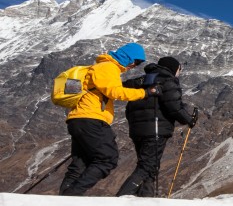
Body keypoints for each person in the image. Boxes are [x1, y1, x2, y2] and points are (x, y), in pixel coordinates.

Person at [59, 42, 160, 196]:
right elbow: (115, 92)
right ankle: (71, 195)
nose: (135, 65)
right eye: (136, 61)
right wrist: (145, 93)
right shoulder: (107, 67)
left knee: (80, 164)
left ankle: (62, 201)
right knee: (107, 159)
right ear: (128, 57)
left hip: (78, 118)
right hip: (91, 119)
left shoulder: (101, 67)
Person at [117, 56, 198, 197]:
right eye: (179, 69)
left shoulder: (141, 81)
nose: (179, 73)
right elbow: (174, 106)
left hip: (137, 130)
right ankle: (120, 198)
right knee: (147, 166)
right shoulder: (168, 81)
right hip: (155, 129)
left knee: (150, 166)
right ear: (173, 68)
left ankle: (145, 199)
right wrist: (189, 119)